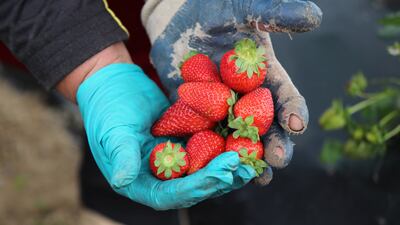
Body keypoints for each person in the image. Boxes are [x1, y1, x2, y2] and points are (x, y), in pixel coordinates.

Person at [0, 0, 322, 211]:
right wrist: (91, 67)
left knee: (160, 114)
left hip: (186, 25)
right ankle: (108, 205)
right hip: (63, 23)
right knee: (118, 123)